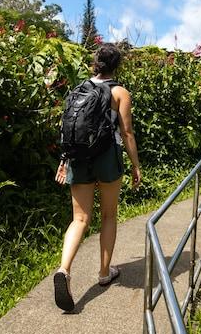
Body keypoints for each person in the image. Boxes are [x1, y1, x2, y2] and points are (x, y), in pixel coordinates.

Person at [53, 43, 142, 312]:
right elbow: (127, 133)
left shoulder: (78, 90)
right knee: (108, 215)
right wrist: (136, 166)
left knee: (79, 219)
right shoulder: (119, 92)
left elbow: (69, 129)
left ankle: (64, 270)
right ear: (117, 65)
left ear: (95, 63)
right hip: (106, 158)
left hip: (78, 158)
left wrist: (64, 161)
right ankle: (104, 273)